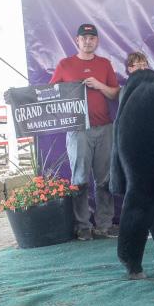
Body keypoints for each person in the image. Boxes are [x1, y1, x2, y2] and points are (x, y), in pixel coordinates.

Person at [49, 23, 120, 241]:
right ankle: (82, 226)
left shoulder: (104, 64)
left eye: (92, 38)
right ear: (77, 40)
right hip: (77, 130)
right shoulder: (65, 65)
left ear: (97, 41)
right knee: (79, 178)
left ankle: (105, 224)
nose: (88, 41)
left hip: (104, 128)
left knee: (105, 179)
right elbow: (49, 95)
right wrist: (17, 99)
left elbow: (114, 94)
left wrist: (99, 85)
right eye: (84, 38)